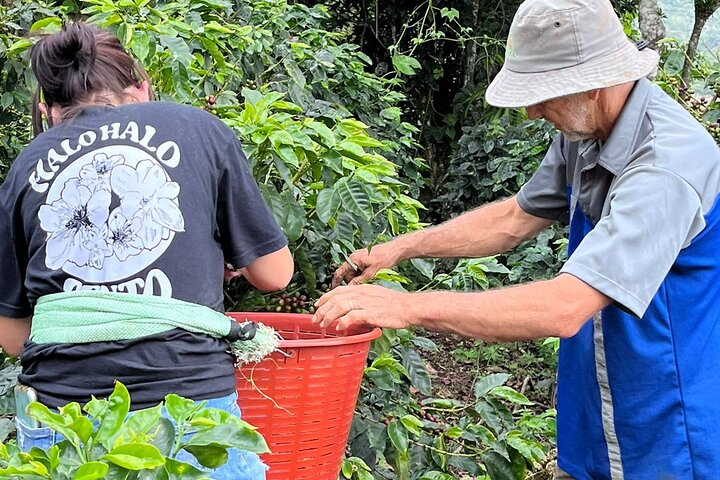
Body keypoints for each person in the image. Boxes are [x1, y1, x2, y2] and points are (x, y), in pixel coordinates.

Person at [313, 0, 720, 478]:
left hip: (667, 422)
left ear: (592, 84)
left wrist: (405, 307)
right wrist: (400, 248)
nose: (531, 111)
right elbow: (515, 217)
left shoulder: (665, 167)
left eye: (543, 94)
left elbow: (565, 307)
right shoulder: (585, 130)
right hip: (597, 404)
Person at [0, 22, 294, 479]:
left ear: (48, 110)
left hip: (65, 423)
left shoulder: (25, 166)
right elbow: (274, 275)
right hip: (189, 407)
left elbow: (15, 338)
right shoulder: (199, 127)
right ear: (142, 88)